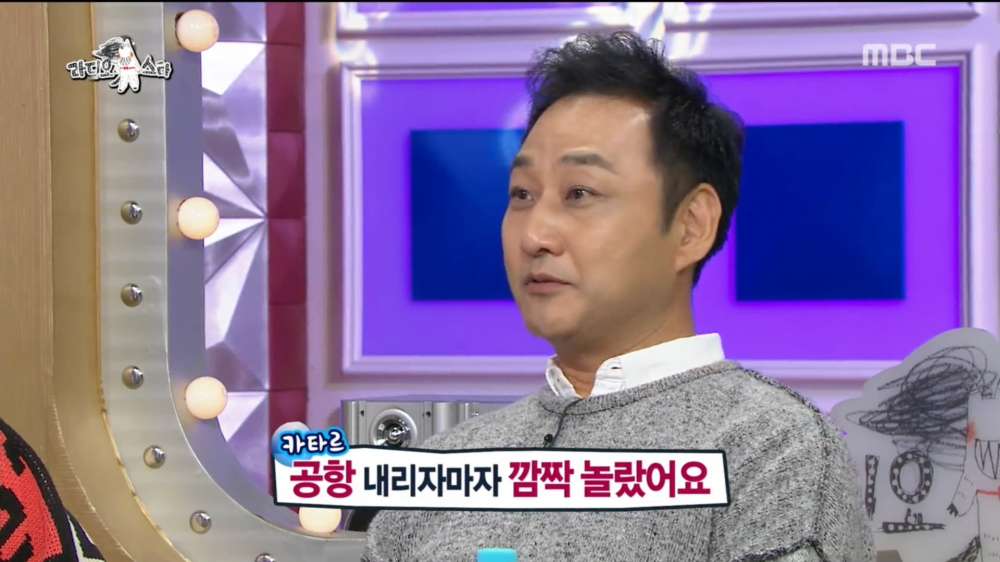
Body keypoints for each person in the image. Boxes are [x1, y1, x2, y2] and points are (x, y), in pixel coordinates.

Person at [363, 30, 874, 562]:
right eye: (522, 194)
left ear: (691, 226)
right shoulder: (447, 464)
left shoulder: (772, 449)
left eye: (579, 193)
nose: (535, 234)